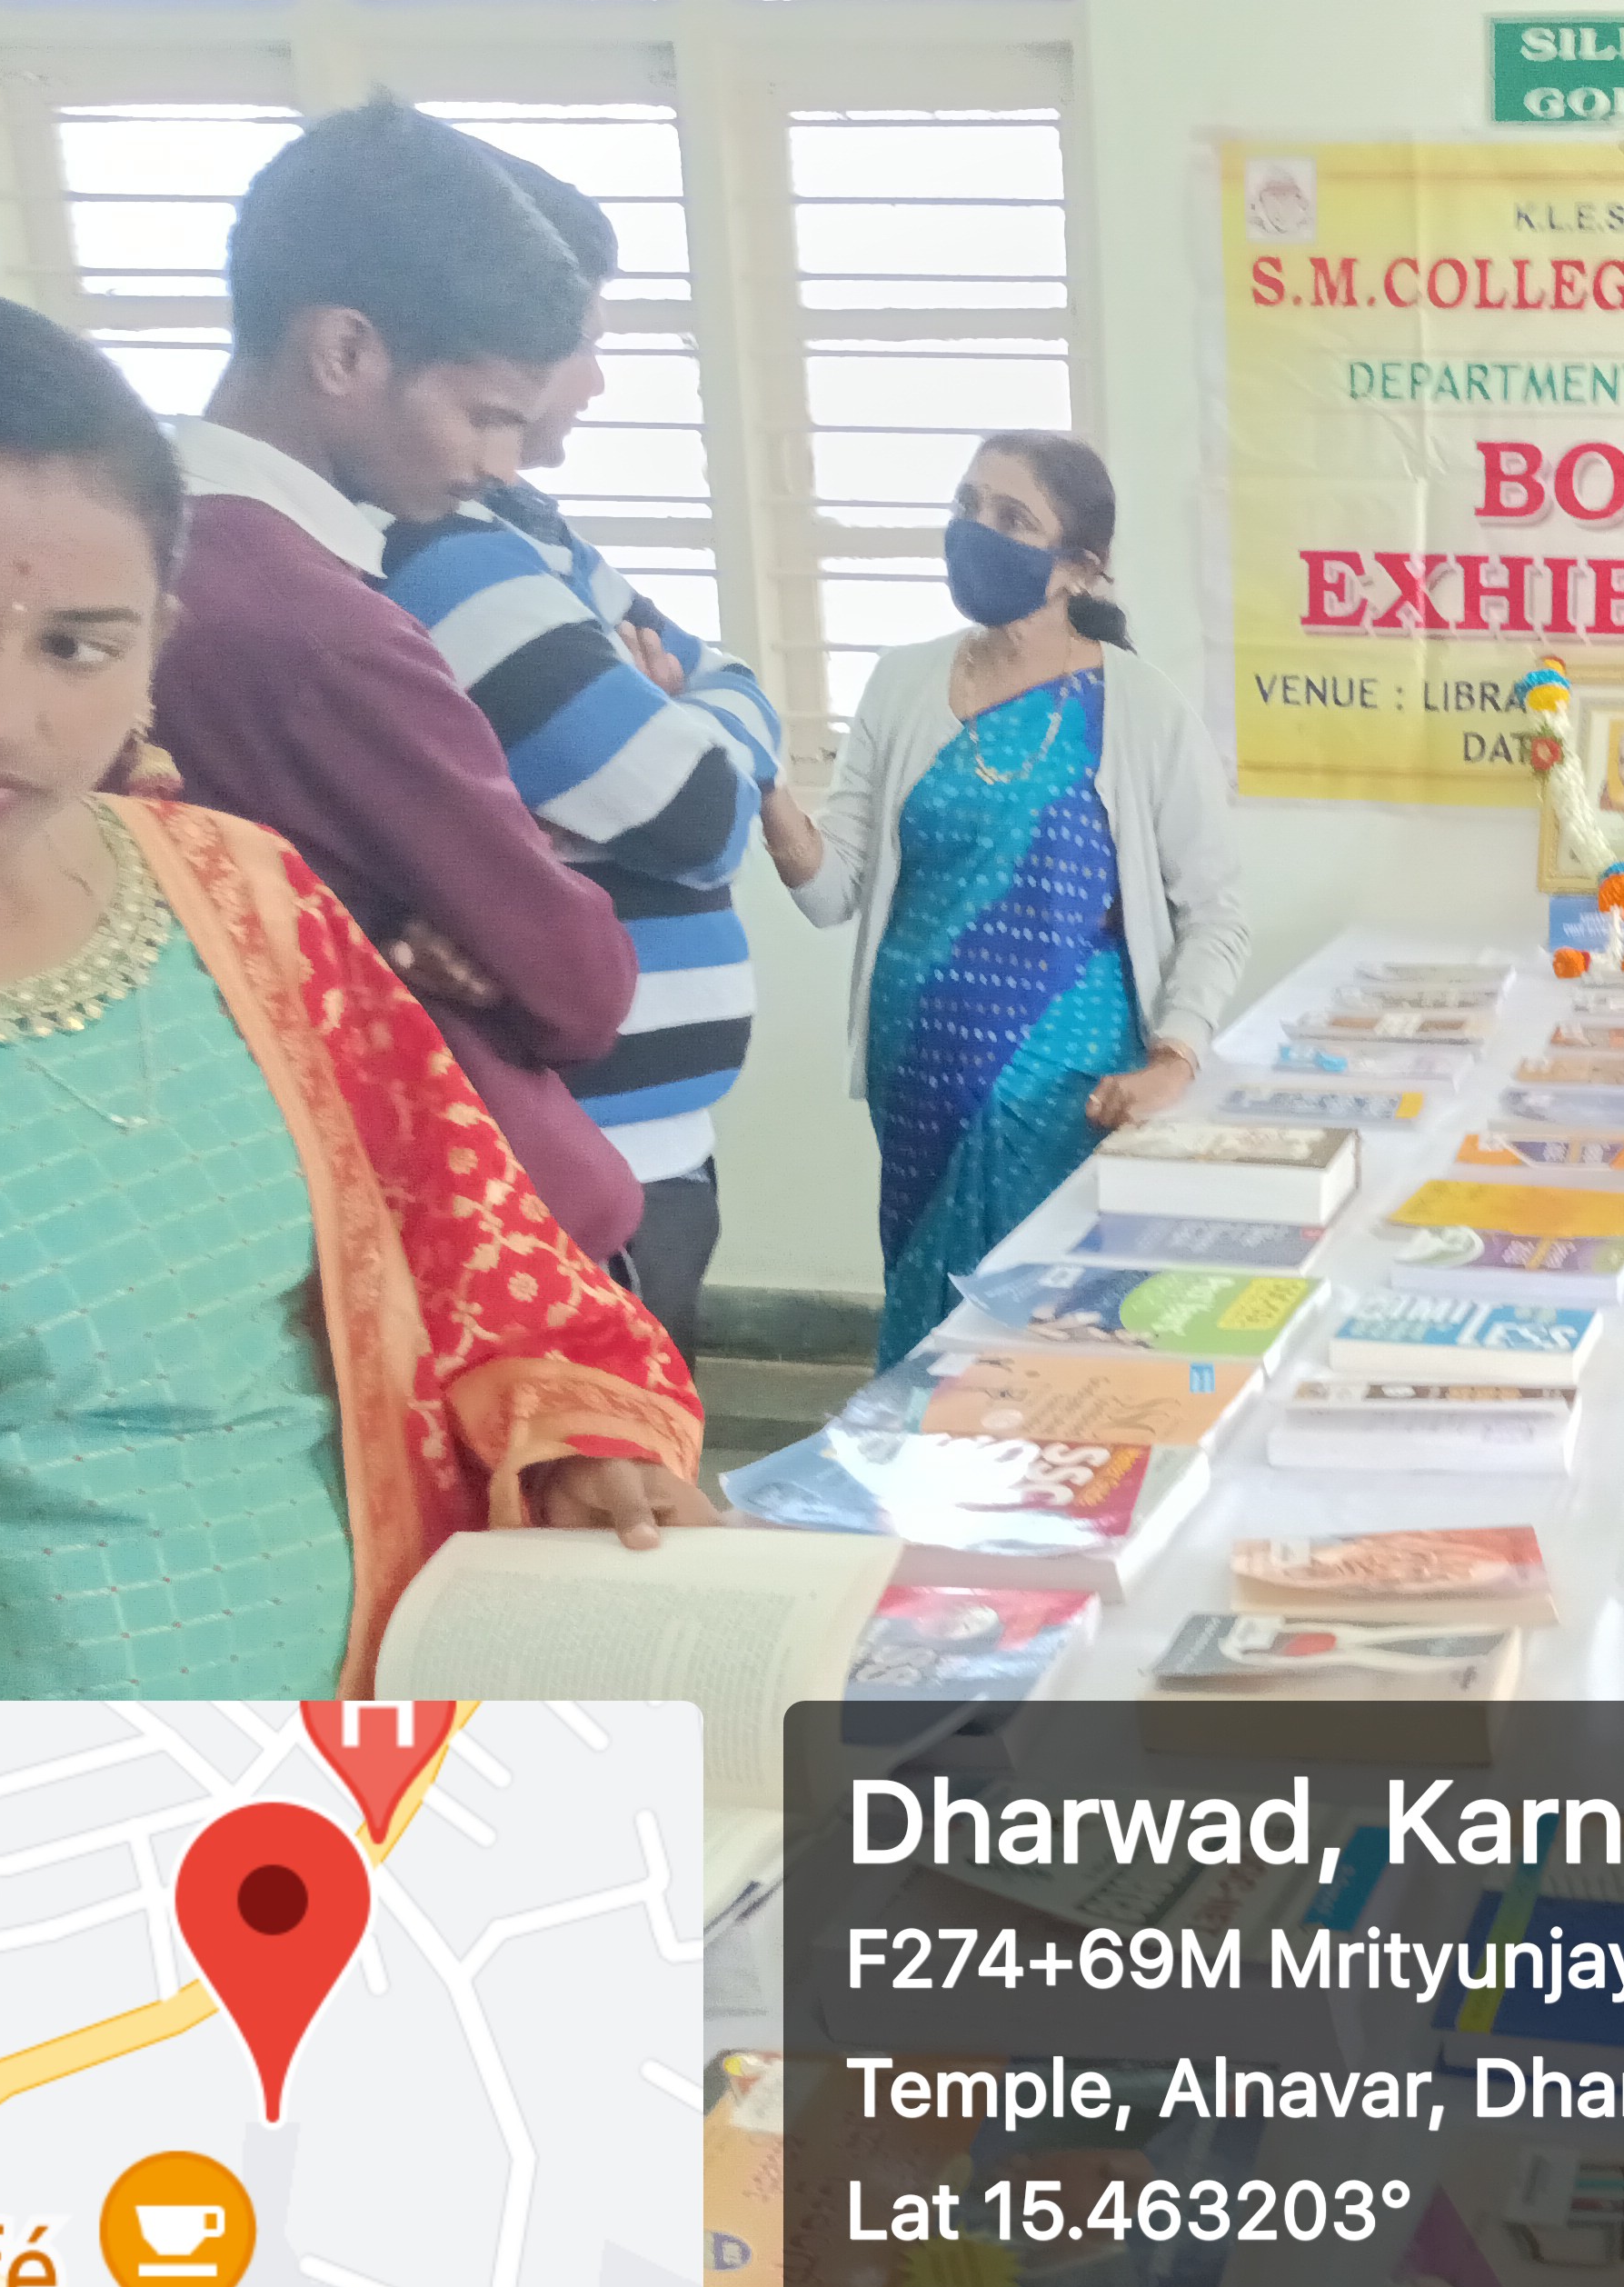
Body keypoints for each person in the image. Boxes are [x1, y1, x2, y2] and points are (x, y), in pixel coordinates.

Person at [0, 286, 708, 1755]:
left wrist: (578, 1447)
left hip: (401, 1733)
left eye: (78, 645)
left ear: (158, 645)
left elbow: (478, 1247)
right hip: (40, 1794)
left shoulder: (239, 892)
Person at [151, 96, 646, 1268]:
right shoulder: (320, 629)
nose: (501, 466)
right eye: (486, 416)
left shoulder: (145, 549)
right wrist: (489, 921)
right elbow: (580, 984)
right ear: (344, 351)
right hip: (465, 1239)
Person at [380, 148, 802, 1362]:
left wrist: (699, 715)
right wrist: (703, 731)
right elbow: (701, 815)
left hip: (645, 1153)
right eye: (584, 344)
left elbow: (735, 685)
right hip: (573, 1161)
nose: (599, 379)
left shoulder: (538, 542)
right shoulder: (452, 559)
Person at [765, 434, 1249, 1367]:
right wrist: (762, 786)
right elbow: (831, 891)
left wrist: (1176, 1056)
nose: (975, 531)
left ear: (1079, 568)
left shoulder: (1141, 710)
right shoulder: (902, 682)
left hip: (1067, 1089)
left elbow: (1217, 909)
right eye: (967, 505)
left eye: (1011, 517)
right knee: (930, 1330)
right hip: (918, 1074)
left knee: (1054, 1341)